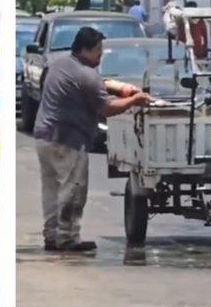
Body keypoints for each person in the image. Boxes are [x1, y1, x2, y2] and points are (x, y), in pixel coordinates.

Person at [33, 27, 151, 252]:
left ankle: (52, 235)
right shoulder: (86, 75)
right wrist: (135, 99)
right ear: (85, 50)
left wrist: (118, 90)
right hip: (68, 139)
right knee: (73, 190)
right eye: (98, 50)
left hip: (44, 136)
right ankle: (67, 238)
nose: (100, 54)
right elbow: (106, 108)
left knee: (51, 190)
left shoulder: (59, 65)